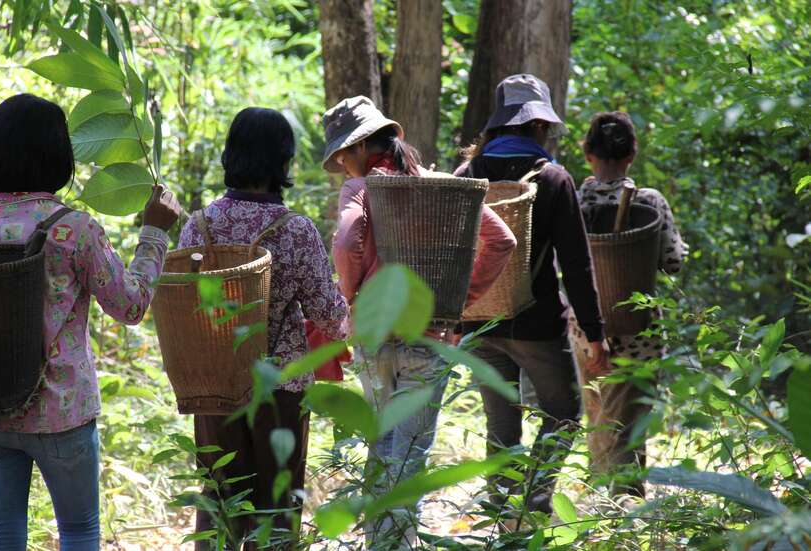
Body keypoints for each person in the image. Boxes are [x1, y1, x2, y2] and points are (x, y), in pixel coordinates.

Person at [0, 94, 181, 551]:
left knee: (0, 536)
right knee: (78, 533)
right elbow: (130, 306)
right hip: (61, 410)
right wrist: (155, 232)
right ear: (59, 155)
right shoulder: (72, 228)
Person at [323, 95, 516, 548]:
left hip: (374, 338)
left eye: (342, 156)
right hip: (428, 338)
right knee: (409, 459)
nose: (342, 165)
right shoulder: (442, 186)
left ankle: (380, 543)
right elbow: (502, 240)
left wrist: (353, 297)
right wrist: (457, 299)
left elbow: (348, 238)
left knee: (380, 448)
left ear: (361, 149)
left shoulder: (362, 189)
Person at [179, 107, 349, 550]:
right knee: (274, 508)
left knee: (218, 502)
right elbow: (328, 315)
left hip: (215, 384)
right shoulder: (296, 231)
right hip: (281, 388)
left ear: (230, 155)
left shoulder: (198, 226)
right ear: (284, 160)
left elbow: (183, 300)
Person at [455, 74, 608, 513]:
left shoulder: (466, 176)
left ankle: (502, 514)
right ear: (540, 125)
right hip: (539, 324)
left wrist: (451, 318)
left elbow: (451, 253)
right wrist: (594, 333)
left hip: (480, 322)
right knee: (562, 414)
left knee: (500, 424)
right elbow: (576, 266)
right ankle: (536, 503)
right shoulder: (555, 180)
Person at [568, 111, 687, 496]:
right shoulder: (650, 201)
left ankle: (603, 501)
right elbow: (673, 262)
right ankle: (624, 506)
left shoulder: (574, 201)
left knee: (598, 415)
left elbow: (558, 261)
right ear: (632, 154)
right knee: (630, 420)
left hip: (585, 328)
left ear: (587, 153)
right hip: (639, 331)